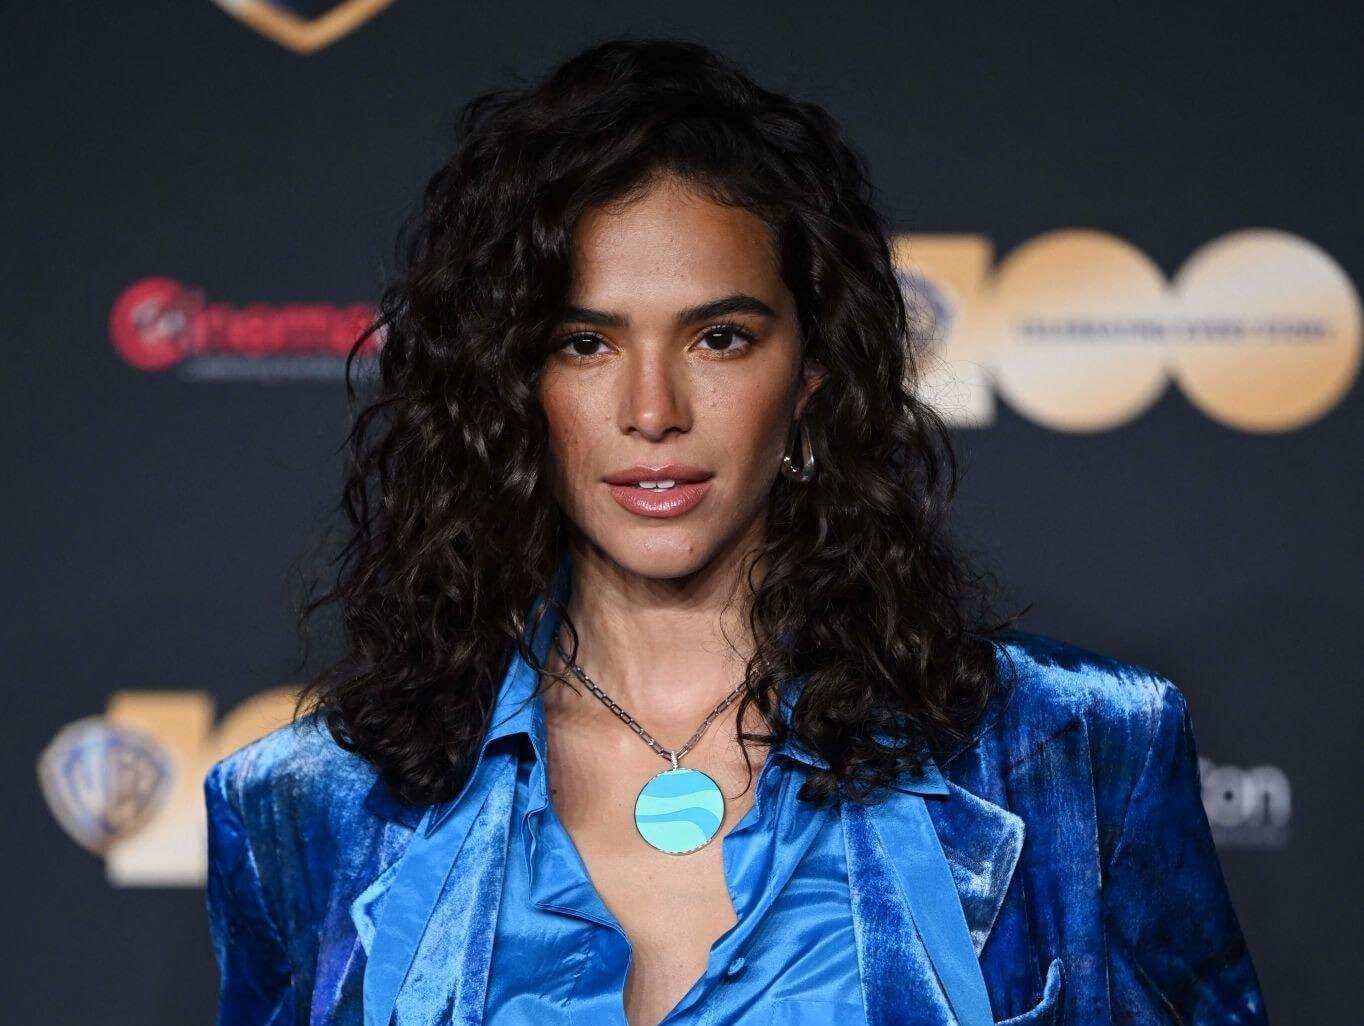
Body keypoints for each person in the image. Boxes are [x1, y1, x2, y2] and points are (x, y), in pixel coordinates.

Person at [203, 36, 1269, 1026]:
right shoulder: (303, 809)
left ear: (811, 373)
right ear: (508, 382)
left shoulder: (1074, 752)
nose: (652, 410)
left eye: (719, 337)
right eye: (583, 343)